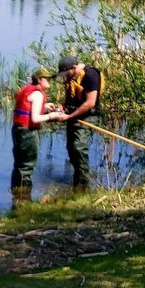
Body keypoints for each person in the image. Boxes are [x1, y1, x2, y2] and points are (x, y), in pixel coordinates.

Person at [11, 68, 66, 201]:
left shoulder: (28, 89)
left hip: (18, 130)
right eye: (47, 79)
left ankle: (16, 194)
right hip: (28, 133)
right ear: (40, 80)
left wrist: (45, 107)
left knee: (19, 164)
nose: (49, 81)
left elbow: (29, 107)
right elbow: (35, 119)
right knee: (27, 166)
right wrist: (52, 115)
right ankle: (24, 197)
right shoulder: (38, 94)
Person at [56, 56, 103, 190]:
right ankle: (77, 180)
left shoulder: (91, 75)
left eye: (66, 73)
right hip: (72, 115)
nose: (65, 76)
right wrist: (62, 109)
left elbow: (90, 103)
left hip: (88, 117)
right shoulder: (71, 77)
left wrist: (70, 116)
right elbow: (70, 98)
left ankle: (83, 186)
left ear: (74, 68)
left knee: (79, 147)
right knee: (71, 149)